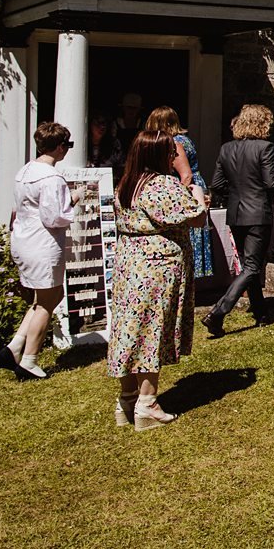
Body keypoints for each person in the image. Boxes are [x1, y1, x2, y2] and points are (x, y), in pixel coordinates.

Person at [108, 130, 207, 429]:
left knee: (128, 329)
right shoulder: (162, 186)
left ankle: (126, 398)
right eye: (171, 152)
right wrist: (199, 195)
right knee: (152, 331)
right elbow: (197, 217)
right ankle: (147, 404)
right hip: (157, 267)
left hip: (128, 264)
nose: (175, 157)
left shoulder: (127, 183)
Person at [0, 121, 79, 381]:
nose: (67, 150)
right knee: (47, 301)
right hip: (42, 243)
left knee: (45, 297)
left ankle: (14, 346)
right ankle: (30, 359)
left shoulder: (25, 171)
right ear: (58, 147)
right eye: (67, 145)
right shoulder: (52, 177)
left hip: (23, 239)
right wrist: (73, 199)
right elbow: (54, 217)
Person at [202, 104, 274, 337]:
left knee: (248, 267)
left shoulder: (226, 149)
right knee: (252, 267)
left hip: (236, 213)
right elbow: (270, 182)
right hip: (258, 212)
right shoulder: (265, 147)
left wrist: (235, 194)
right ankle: (218, 312)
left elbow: (217, 184)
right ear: (262, 124)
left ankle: (261, 313)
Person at [143, 106, 212, 278]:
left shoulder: (175, 142)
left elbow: (186, 175)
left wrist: (178, 198)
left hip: (188, 189)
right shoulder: (184, 139)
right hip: (195, 185)